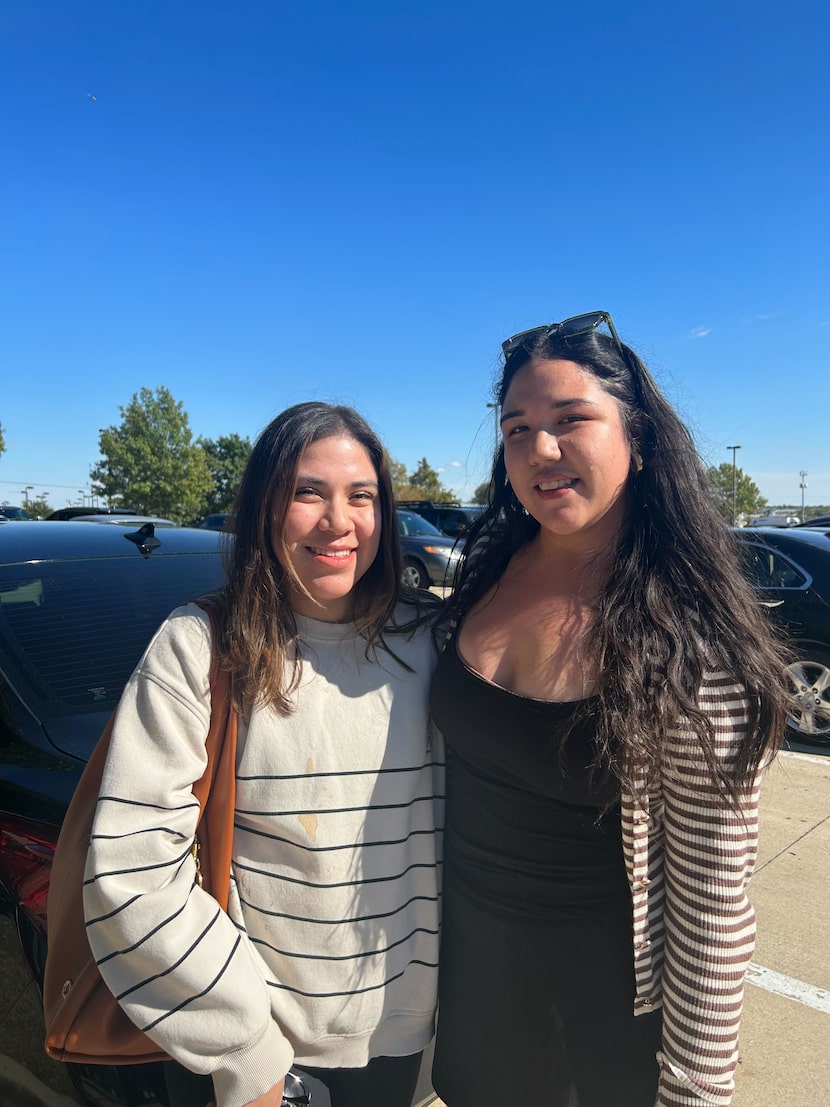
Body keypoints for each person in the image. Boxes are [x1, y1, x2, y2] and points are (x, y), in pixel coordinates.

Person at [430, 312, 790, 1107]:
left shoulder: (693, 644)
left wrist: (694, 1093)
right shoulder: (489, 571)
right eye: (518, 428)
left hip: (595, 1036)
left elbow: (713, 907)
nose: (540, 450)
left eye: (570, 421)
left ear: (641, 437)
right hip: (470, 999)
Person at [83, 402, 444, 1107]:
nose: (338, 521)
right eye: (308, 491)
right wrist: (248, 1052)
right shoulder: (201, 646)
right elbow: (131, 871)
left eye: (361, 495)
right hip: (261, 1059)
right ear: (263, 507)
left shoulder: (433, 643)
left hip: (406, 1045)